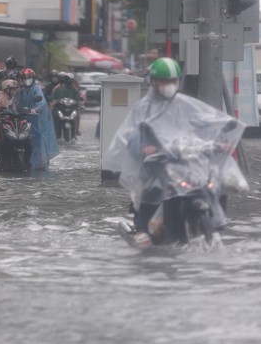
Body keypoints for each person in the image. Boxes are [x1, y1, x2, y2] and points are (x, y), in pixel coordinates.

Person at [102, 57, 248, 246]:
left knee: (214, 181)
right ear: (154, 83)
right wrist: (144, 147)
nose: (169, 85)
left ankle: (215, 223)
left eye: (173, 81)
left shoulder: (185, 104)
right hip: (156, 162)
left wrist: (221, 136)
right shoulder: (143, 108)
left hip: (183, 161)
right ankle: (142, 228)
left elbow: (205, 122)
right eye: (164, 81)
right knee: (152, 188)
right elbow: (131, 133)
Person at [13, 68, 59, 170]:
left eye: (28, 78)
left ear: (33, 79)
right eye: (24, 78)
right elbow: (15, 103)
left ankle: (37, 163)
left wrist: (35, 109)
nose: (26, 80)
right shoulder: (19, 91)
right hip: (22, 118)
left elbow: (41, 103)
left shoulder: (36, 90)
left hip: (35, 119)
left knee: (37, 139)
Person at [50, 72, 82, 137]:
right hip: (60, 108)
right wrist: (54, 101)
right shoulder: (58, 89)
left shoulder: (74, 90)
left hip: (71, 108)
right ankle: (54, 130)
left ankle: (76, 131)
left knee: (77, 113)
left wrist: (78, 102)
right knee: (54, 114)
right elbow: (52, 97)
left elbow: (78, 98)